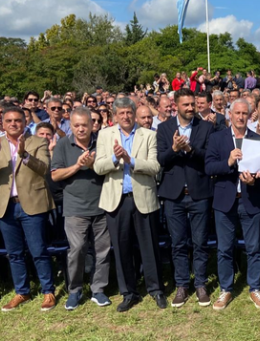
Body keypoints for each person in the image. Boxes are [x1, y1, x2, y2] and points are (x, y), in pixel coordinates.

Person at [0, 106, 56, 311]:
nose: (13, 124)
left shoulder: (37, 142)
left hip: (32, 203)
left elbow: (45, 169)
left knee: (38, 250)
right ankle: (22, 292)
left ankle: (48, 291)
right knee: (14, 253)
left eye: (18, 121)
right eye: (9, 121)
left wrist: (25, 155)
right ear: (2, 123)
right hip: (6, 206)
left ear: (25, 122)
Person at [93, 97, 167, 312]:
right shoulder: (105, 135)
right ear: (115, 115)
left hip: (143, 197)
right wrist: (116, 160)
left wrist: (130, 160)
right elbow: (98, 167)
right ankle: (129, 292)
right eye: (121, 113)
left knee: (150, 247)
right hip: (117, 200)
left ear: (134, 113)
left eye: (128, 112)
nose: (125, 116)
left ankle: (156, 290)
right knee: (122, 247)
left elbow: (154, 166)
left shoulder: (149, 135)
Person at [205, 99, 260, 311]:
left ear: (250, 116)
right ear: (229, 114)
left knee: (254, 248)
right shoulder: (217, 138)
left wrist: (258, 177)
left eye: (244, 113)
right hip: (225, 201)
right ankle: (226, 289)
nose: (240, 117)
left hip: (250, 199)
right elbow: (209, 167)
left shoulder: (257, 138)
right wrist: (228, 162)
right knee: (224, 248)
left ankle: (255, 288)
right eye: (237, 113)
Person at [157, 89, 214, 308]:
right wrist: (174, 149)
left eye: (193, 104)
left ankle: (200, 283)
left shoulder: (206, 127)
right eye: (186, 105)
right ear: (176, 106)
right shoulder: (164, 129)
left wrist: (190, 149)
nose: (190, 108)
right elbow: (161, 159)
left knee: (200, 242)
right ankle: (182, 285)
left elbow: (209, 157)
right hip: (174, 195)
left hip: (199, 193)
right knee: (178, 243)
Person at [50, 107, 111, 310]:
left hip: (101, 205)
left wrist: (93, 165)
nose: (81, 129)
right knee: (76, 251)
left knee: (102, 251)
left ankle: (98, 290)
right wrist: (77, 166)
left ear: (92, 124)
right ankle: (75, 290)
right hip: (75, 208)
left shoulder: (102, 143)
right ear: (71, 126)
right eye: (76, 125)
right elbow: (55, 175)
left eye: (84, 125)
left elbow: (110, 170)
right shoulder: (62, 145)